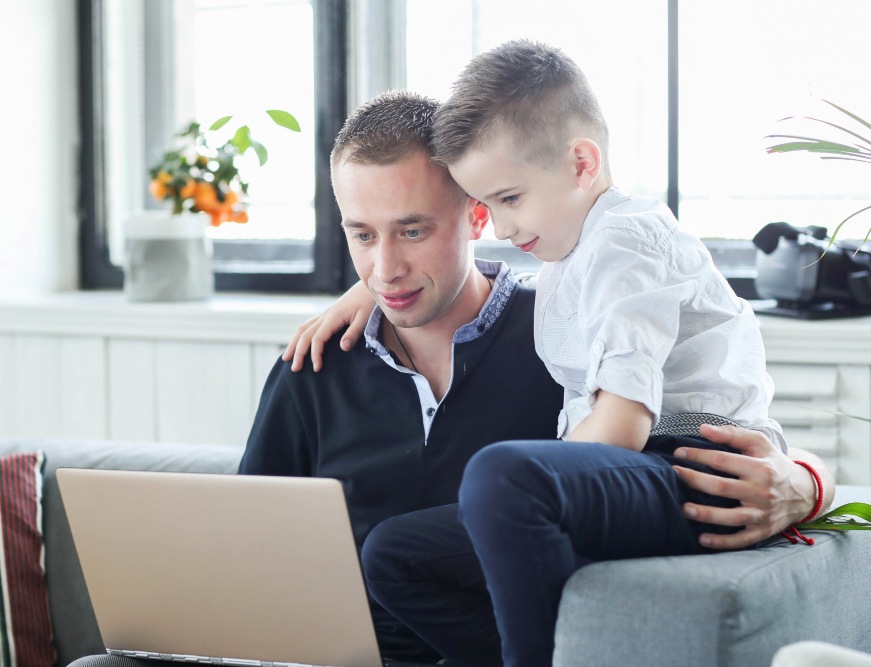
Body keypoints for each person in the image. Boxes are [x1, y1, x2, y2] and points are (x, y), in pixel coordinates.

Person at [248, 89, 834, 666]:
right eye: (362, 235)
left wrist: (807, 485)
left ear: (478, 215)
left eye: (413, 230)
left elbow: (711, 444)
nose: (386, 269)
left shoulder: (562, 339)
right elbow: (244, 549)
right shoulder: (313, 364)